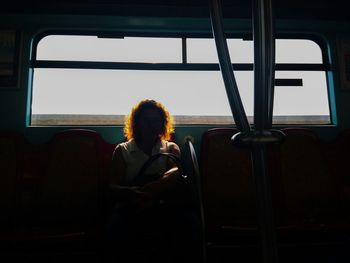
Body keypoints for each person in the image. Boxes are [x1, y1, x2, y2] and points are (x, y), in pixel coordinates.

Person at [104, 99, 202, 263]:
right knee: (115, 228)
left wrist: (155, 188)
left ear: (162, 124)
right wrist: (134, 193)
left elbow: (176, 170)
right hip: (134, 204)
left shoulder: (170, 148)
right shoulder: (123, 150)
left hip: (165, 204)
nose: (151, 125)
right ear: (137, 123)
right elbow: (112, 186)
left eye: (155, 120)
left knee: (190, 224)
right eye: (146, 120)